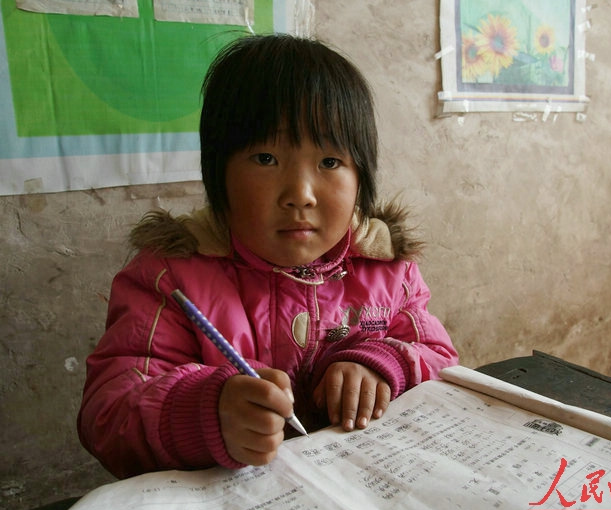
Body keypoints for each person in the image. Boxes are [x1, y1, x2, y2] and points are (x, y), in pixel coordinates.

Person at [78, 34, 458, 479]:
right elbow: (109, 413)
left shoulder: (387, 270)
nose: (300, 194)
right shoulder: (169, 278)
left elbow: (439, 357)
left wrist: (383, 362)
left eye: (330, 162)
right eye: (265, 157)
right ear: (218, 173)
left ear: (362, 176)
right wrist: (206, 413)